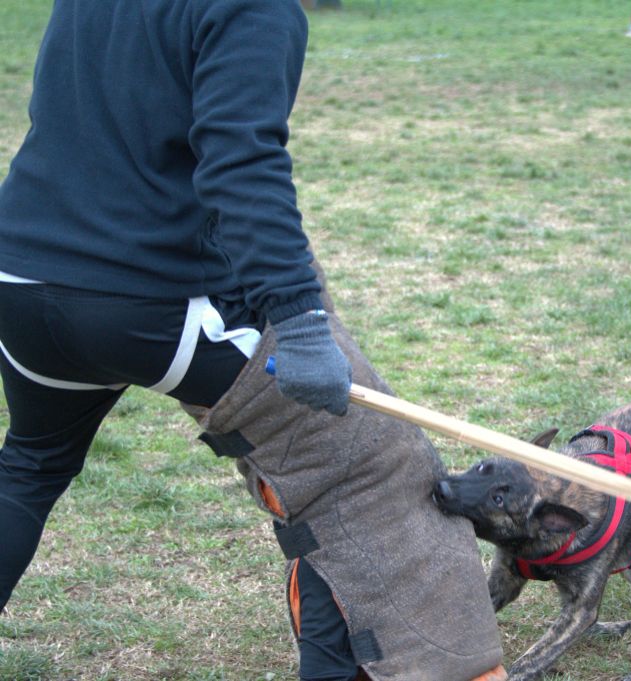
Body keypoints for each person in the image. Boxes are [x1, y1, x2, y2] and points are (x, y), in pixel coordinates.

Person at [0, 1, 505, 679]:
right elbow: (241, 163)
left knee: (29, 465)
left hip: (20, 275)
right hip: (143, 298)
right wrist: (298, 321)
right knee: (360, 461)